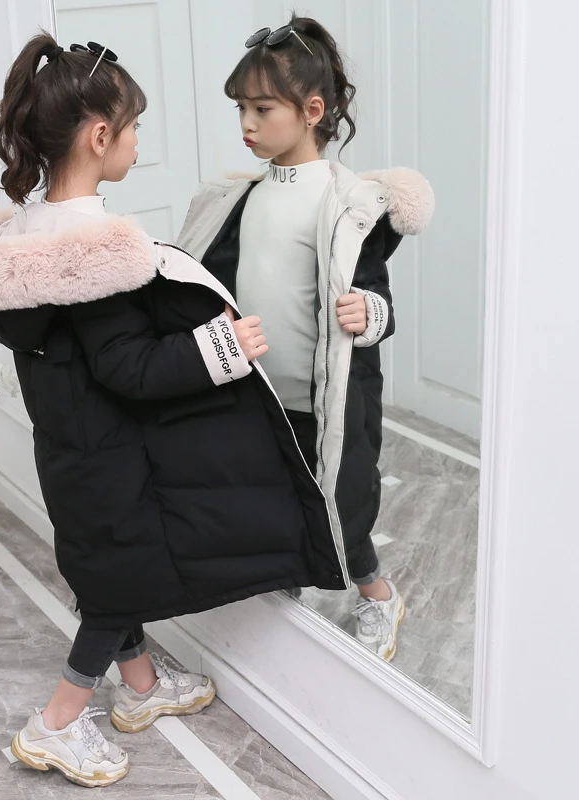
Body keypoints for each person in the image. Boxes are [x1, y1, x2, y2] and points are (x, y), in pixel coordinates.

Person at [0, 31, 350, 788]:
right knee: (112, 587)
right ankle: (57, 722)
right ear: (100, 137)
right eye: (133, 128)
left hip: (73, 448)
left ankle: (143, 687)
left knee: (111, 565)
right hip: (115, 454)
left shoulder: (27, 235)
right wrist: (223, 346)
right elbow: (128, 367)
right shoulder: (95, 252)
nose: (136, 142)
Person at [177, 14, 435, 662]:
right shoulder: (238, 199)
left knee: (342, 504)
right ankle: (284, 575)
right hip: (258, 393)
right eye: (241, 108)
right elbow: (216, 279)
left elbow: (377, 297)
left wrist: (370, 314)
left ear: (312, 111)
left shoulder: (350, 205)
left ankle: (376, 592)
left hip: (330, 398)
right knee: (268, 493)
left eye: (262, 108)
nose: (247, 123)